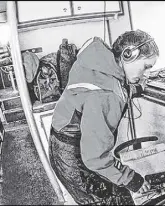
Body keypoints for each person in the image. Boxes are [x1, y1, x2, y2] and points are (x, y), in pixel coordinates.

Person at [49, 29, 159, 205]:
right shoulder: (105, 96)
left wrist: (134, 87)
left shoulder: (99, 61)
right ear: (128, 54)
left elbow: (112, 80)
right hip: (73, 156)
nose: (146, 74)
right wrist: (132, 180)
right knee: (109, 201)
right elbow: (95, 157)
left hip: (63, 140)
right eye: (146, 67)